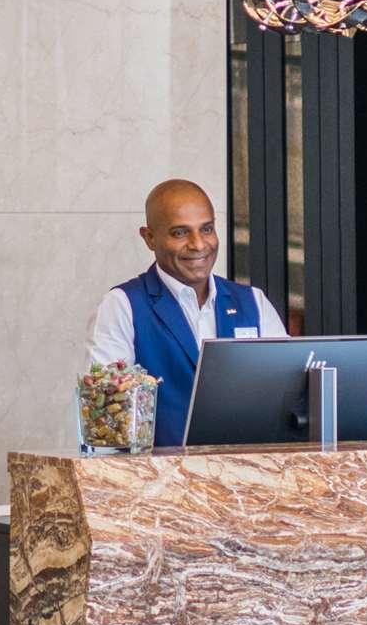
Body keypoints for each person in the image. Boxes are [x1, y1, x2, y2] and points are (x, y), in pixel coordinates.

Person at [85, 179, 285, 449]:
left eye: (207, 229)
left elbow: (285, 392)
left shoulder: (253, 302)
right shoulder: (123, 305)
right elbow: (109, 413)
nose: (198, 244)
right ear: (149, 238)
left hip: (247, 477)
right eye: (180, 233)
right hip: (161, 482)